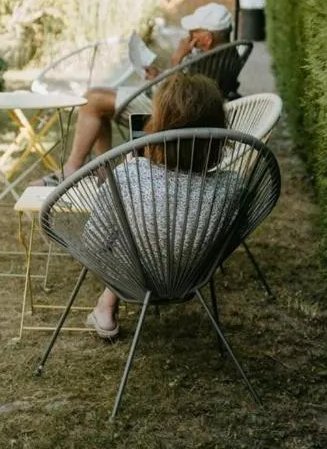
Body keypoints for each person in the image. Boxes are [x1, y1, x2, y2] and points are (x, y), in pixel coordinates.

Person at [83, 71, 235, 339]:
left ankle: (105, 305)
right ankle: (106, 303)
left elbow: (94, 243)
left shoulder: (130, 175)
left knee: (123, 230)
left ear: (157, 127)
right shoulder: (231, 187)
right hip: (193, 275)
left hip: (132, 278)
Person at [43, 2, 233, 184]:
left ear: (207, 38)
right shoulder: (224, 56)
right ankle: (104, 170)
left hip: (170, 112)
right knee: (98, 98)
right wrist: (160, 75)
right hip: (171, 103)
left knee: (93, 100)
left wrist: (177, 58)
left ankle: (74, 167)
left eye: (193, 33)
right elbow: (189, 88)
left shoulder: (211, 60)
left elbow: (182, 98)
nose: (188, 37)